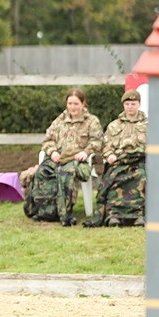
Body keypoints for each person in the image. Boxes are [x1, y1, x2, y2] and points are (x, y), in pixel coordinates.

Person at [32, 88, 103, 226]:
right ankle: (45, 211)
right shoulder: (60, 120)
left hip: (78, 160)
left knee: (66, 173)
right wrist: (52, 152)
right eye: (70, 103)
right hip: (58, 158)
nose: (72, 107)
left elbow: (97, 141)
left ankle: (65, 213)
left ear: (83, 104)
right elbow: (47, 140)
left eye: (76, 104)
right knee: (42, 172)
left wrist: (86, 152)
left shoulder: (92, 121)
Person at [86, 89, 147, 227]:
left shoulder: (148, 125)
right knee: (113, 178)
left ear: (139, 104)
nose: (130, 107)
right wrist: (110, 155)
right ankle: (114, 215)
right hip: (118, 161)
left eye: (133, 103)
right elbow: (106, 145)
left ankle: (138, 215)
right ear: (123, 106)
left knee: (141, 177)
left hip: (140, 162)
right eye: (127, 104)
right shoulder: (114, 125)